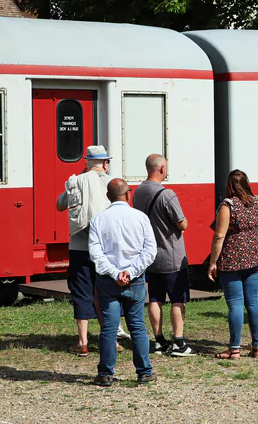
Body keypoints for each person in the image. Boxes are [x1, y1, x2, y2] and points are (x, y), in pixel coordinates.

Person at [56, 145, 127, 356]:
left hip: (79, 247)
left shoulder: (76, 182)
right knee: (108, 291)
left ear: (86, 162)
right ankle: (113, 340)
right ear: (105, 163)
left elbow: (60, 205)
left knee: (81, 291)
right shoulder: (114, 184)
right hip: (106, 249)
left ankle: (83, 342)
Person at [89, 179, 157, 387]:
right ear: (128, 194)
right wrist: (131, 271)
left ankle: (106, 373)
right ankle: (144, 371)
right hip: (134, 281)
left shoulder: (98, 220)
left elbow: (95, 253)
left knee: (109, 328)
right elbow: (150, 251)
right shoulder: (141, 218)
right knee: (137, 326)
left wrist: (115, 273)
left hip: (108, 281)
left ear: (108, 197)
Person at [208, 170, 258, 359]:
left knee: (236, 304)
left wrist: (213, 262)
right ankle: (257, 347)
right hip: (254, 259)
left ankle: (235, 349)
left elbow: (219, 235)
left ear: (229, 185)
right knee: (253, 302)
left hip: (231, 261)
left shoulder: (227, 205)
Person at [133, 154, 194, 357]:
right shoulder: (167, 195)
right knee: (177, 299)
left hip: (150, 256)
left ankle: (158, 341)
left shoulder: (138, 192)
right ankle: (178, 342)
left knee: (155, 299)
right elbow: (182, 223)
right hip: (172, 255)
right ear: (161, 169)